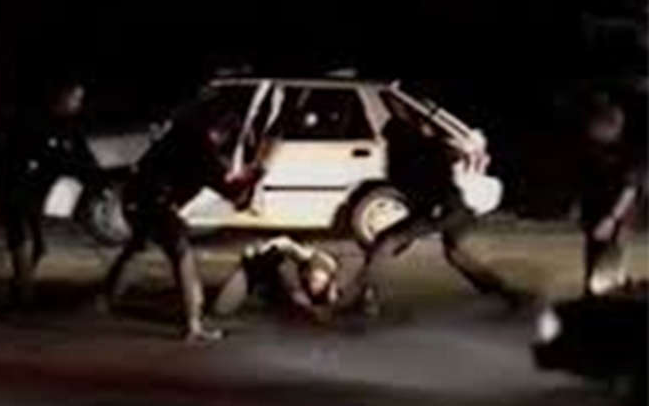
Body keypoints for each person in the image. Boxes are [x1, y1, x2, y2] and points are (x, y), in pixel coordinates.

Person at [102, 91, 266, 342]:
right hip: (159, 203)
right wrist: (255, 175)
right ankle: (193, 324)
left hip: (136, 197)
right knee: (183, 258)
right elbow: (233, 194)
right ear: (221, 132)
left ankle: (105, 299)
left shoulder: (181, 133)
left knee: (136, 247)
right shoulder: (203, 150)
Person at [351, 114, 530, 317]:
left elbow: (434, 185)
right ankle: (506, 294)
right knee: (456, 254)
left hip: (442, 208)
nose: (385, 146)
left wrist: (427, 214)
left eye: (388, 140)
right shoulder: (423, 151)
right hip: (456, 208)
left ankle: (365, 298)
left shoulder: (415, 156)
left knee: (386, 243)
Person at [0, 78, 106, 306]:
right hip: (19, 186)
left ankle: (21, 284)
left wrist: (98, 181)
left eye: (80, 99)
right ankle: (23, 289)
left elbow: (83, 157)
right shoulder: (34, 122)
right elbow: (45, 157)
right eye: (75, 98)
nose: (78, 104)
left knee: (36, 243)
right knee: (20, 237)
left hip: (39, 189)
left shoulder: (70, 125)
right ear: (61, 97)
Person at [577, 92, 645, 296]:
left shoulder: (626, 156)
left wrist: (612, 218)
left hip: (616, 219)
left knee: (609, 268)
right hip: (595, 215)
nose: (589, 130)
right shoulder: (593, 151)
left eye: (594, 126)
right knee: (593, 265)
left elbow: (629, 191)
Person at [211, 235, 340, 323]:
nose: (316, 285)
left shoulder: (323, 290)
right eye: (316, 281)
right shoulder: (314, 261)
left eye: (319, 283)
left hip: (278, 273)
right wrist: (267, 246)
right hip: (273, 262)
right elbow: (287, 244)